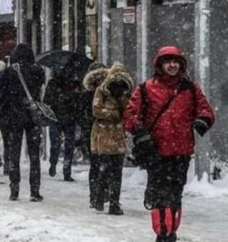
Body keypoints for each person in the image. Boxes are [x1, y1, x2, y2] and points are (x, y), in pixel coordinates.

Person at [123, 46, 215, 242]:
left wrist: (202, 120)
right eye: (168, 61)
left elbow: (205, 110)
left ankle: (171, 232)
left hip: (181, 152)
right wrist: (140, 132)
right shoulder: (146, 89)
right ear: (160, 65)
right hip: (155, 152)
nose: (172, 65)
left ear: (181, 65)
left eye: (176, 62)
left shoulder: (190, 89)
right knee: (160, 196)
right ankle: (163, 233)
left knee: (175, 195)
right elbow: (130, 114)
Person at [0, 43, 46, 202]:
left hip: (14, 118)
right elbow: (39, 93)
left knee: (14, 153)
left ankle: (14, 189)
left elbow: (1, 97)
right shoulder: (37, 71)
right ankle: (34, 191)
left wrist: (2, 115)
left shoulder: (9, 72)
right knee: (34, 155)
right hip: (32, 117)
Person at [91, 62, 134, 215]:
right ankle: (100, 197)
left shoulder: (125, 93)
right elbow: (96, 111)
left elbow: (129, 111)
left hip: (118, 136)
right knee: (104, 169)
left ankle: (114, 202)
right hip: (103, 135)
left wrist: (121, 97)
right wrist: (113, 114)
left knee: (117, 172)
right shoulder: (101, 91)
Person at [45, 64, 83, 181]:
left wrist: (73, 98)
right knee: (55, 144)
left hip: (70, 118)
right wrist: (59, 97)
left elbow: (80, 101)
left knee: (69, 146)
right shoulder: (53, 83)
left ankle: (67, 170)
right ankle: (53, 162)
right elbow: (46, 100)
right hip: (56, 118)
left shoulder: (75, 85)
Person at [82, 62, 109, 211]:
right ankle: (104, 193)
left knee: (95, 164)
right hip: (108, 131)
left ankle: (95, 195)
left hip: (91, 132)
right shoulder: (110, 91)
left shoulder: (86, 93)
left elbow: (80, 113)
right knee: (108, 164)